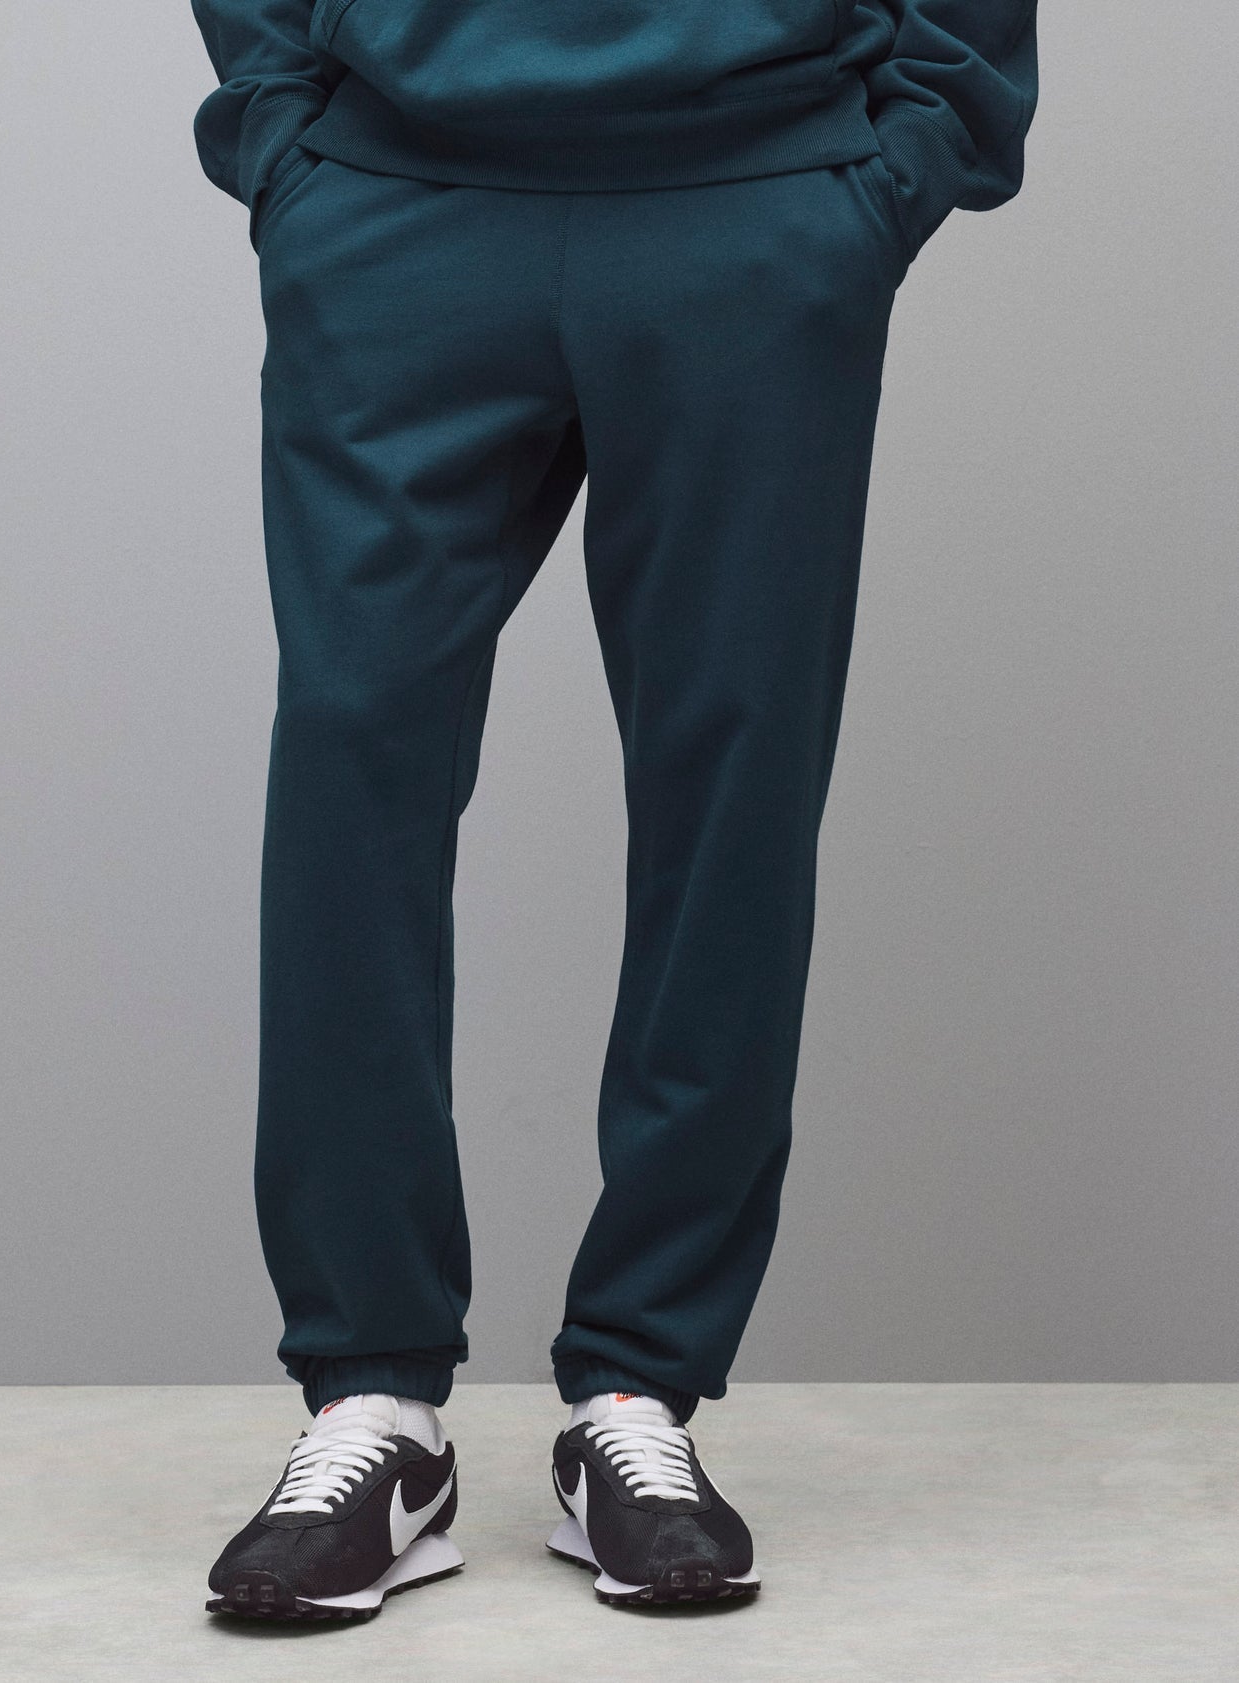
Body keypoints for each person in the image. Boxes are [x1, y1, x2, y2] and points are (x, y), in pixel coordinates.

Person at [189, 0, 1039, 1620]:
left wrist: (904, 159)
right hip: (395, 203)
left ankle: (640, 1393)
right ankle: (373, 1405)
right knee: (350, 771)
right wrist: (285, 135)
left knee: (733, 790)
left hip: (756, 205)